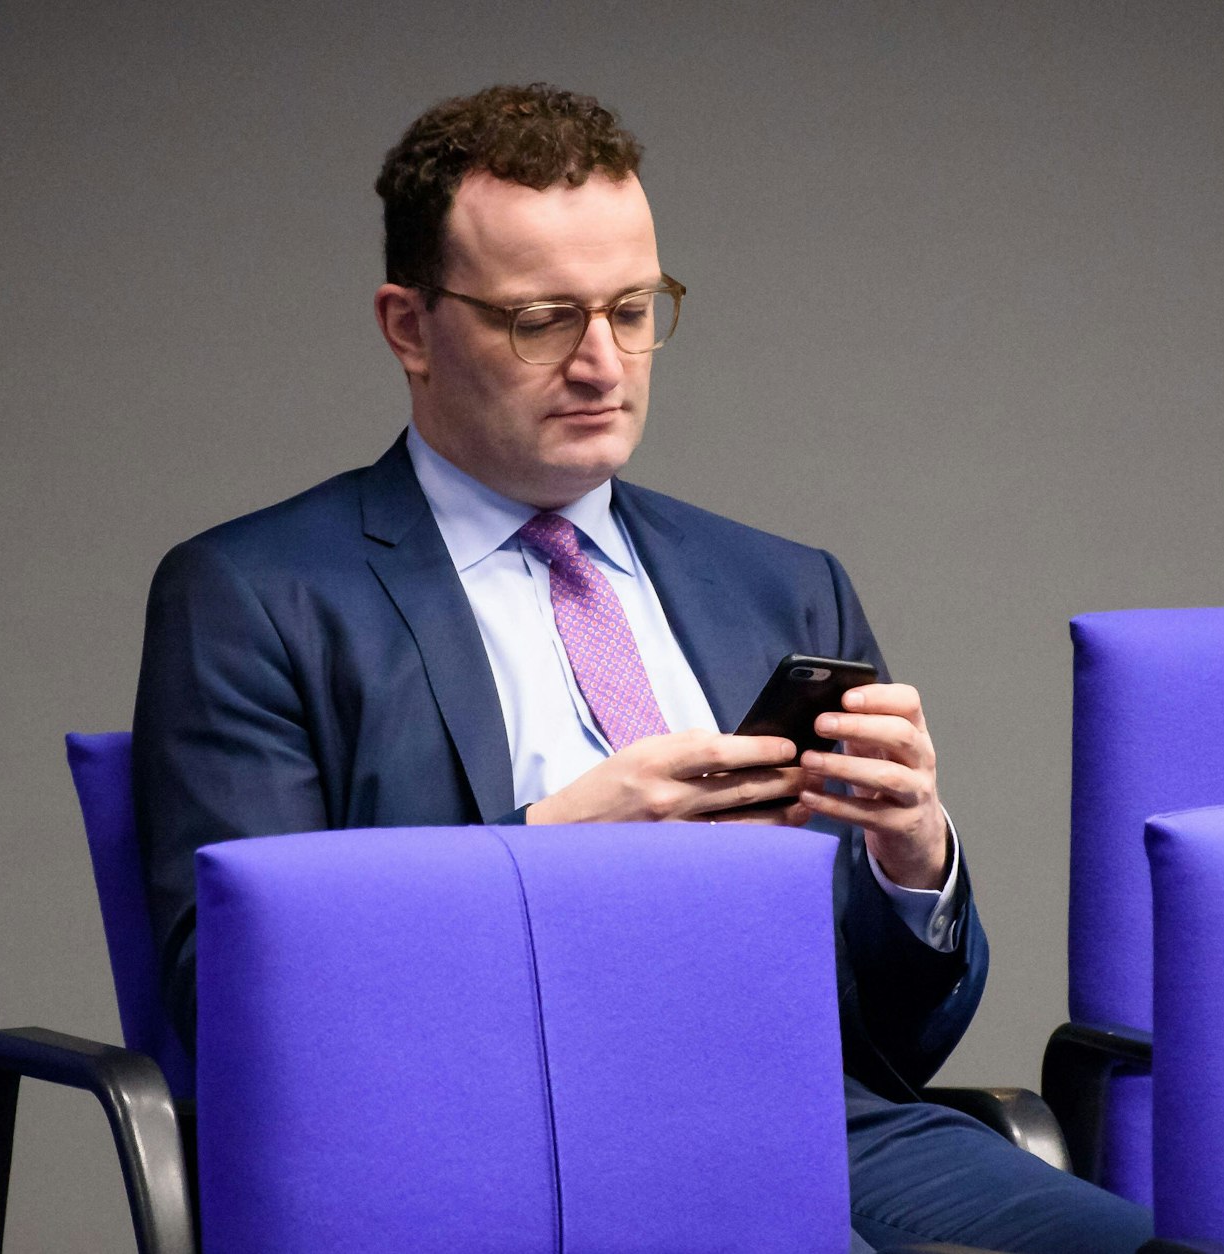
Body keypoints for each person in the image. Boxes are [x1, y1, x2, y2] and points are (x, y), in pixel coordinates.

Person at [133, 83, 1151, 1253]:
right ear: (408, 327)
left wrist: (911, 864)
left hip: (810, 1126)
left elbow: (891, 1045)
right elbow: (239, 1002)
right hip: (474, 1149)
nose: (600, 364)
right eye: (539, 320)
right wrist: (552, 847)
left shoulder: (781, 585)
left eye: (630, 309)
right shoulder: (252, 595)